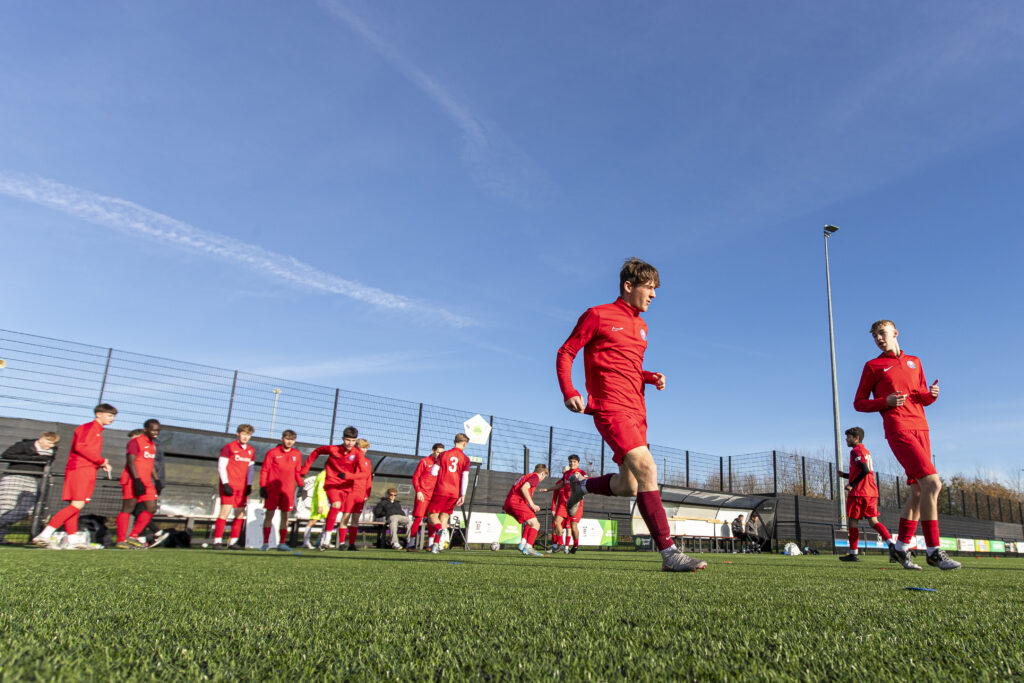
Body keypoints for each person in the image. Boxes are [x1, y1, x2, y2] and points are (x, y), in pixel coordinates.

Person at [557, 258, 706, 572]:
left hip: (638, 411)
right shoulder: (597, 315)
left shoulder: (642, 326)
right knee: (648, 469)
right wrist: (568, 389)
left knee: (630, 485)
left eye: (655, 290)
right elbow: (566, 351)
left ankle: (581, 487)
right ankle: (669, 554)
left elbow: (629, 368)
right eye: (649, 288)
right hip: (611, 409)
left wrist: (649, 377)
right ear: (628, 286)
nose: (653, 295)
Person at [854, 319, 960, 570]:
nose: (879, 338)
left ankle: (901, 548)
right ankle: (933, 550)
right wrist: (885, 401)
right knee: (933, 482)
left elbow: (919, 396)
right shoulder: (873, 366)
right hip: (898, 429)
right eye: (875, 336)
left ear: (895, 333)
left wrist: (931, 395)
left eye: (882, 333)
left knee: (919, 491)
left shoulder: (915, 361)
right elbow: (859, 403)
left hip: (921, 428)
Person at [33, 404, 117, 549]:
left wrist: (100, 463)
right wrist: (101, 460)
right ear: (98, 414)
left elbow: (87, 450)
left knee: (75, 506)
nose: (112, 419)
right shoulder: (89, 427)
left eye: (113, 416)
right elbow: (80, 447)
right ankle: (45, 534)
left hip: (85, 469)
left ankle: (71, 540)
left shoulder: (96, 430)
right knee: (78, 504)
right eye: (109, 415)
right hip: (80, 469)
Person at [838, 427, 897, 564]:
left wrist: (852, 484)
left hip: (859, 492)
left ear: (856, 438)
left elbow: (864, 470)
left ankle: (853, 553)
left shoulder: (855, 451)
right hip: (871, 491)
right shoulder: (865, 451)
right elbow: (865, 471)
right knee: (874, 522)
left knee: (853, 521)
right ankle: (892, 545)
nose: (846, 439)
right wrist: (845, 475)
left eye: (849, 437)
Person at [307, 427, 370, 551]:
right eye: (362, 447)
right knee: (342, 513)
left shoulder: (364, 459)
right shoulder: (345, 453)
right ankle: (336, 541)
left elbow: (367, 477)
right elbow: (318, 452)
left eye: (366, 448)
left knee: (355, 518)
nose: (364, 450)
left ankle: (348, 543)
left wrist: (368, 491)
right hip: (346, 488)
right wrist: (305, 469)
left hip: (357, 492)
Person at [0, 431, 59, 544]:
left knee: (27, 509)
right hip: (13, 477)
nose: (50, 445)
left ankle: (1, 523)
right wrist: (34, 458)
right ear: (41, 438)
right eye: (49, 442)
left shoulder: (52, 452)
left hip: (32, 479)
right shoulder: (24, 445)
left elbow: (47, 460)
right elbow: (6, 455)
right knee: (5, 507)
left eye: (53, 443)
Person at [115, 420, 162, 549]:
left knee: (151, 508)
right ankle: (121, 540)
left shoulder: (152, 444)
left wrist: (157, 480)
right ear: (146, 429)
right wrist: (136, 479)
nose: (156, 433)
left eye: (158, 430)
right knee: (128, 508)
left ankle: (133, 536)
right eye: (153, 430)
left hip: (147, 481)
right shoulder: (135, 442)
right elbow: (131, 462)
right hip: (133, 479)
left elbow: (150, 463)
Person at [258, 430, 307, 551]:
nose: (289, 441)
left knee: (285, 516)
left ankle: (282, 543)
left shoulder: (297, 454)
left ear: (294, 441)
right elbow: (265, 470)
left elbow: (297, 471)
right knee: (269, 514)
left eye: (292, 439)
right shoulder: (272, 453)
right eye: (287, 438)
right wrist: (263, 486)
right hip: (272, 490)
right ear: (282, 439)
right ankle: (265, 543)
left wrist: (301, 486)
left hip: (288, 491)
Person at [210, 424, 256, 550]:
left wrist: (249, 484)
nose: (245, 437)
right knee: (225, 511)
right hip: (229, 485)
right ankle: (217, 541)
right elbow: (221, 466)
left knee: (240, 513)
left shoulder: (251, 451)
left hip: (242, 487)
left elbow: (250, 470)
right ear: (238, 434)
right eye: (243, 434)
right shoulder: (229, 447)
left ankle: (233, 542)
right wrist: (225, 483)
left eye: (248, 435)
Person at [426, 433, 471, 555]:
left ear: (454, 441)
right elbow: (465, 478)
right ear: (464, 444)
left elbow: (434, 471)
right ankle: (436, 546)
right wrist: (463, 494)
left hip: (441, 490)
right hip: (454, 493)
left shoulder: (444, 454)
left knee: (432, 516)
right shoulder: (465, 459)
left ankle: (441, 532)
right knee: (444, 518)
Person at [541, 456, 586, 554]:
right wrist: (548, 489)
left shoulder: (581, 473)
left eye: (574, 462)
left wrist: (582, 479)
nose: (572, 463)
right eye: (570, 462)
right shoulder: (566, 474)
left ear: (578, 463)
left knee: (573, 526)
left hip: (575, 503)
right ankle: (561, 544)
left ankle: (575, 545)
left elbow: (586, 482)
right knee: (556, 522)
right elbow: (560, 485)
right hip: (564, 504)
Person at [503, 464, 548, 557]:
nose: (543, 479)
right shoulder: (535, 477)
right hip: (516, 502)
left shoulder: (526, 476)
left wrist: (529, 505)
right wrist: (532, 504)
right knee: (536, 524)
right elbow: (524, 488)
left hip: (509, 502)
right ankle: (528, 548)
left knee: (531, 520)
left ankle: (523, 544)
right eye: (545, 476)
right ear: (543, 474)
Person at [407, 443, 443, 551]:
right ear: (433, 450)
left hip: (434, 496)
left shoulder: (441, 465)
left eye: (441, 453)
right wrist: (418, 491)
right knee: (418, 518)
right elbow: (415, 477)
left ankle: (430, 544)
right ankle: (411, 544)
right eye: (438, 452)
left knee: (432, 519)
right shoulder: (425, 461)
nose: (439, 455)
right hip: (423, 494)